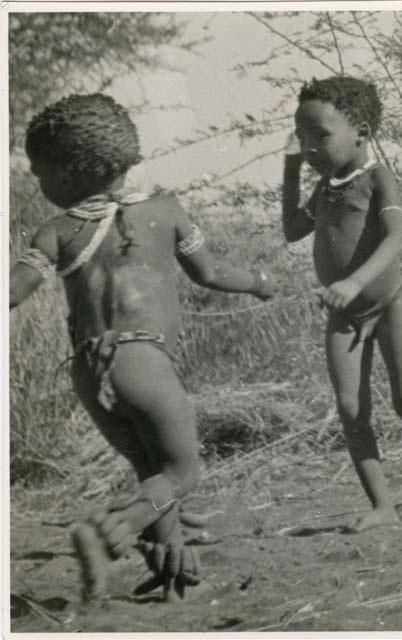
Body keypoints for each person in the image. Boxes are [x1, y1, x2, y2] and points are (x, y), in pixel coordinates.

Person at [10, 93, 277, 603]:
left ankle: (174, 567)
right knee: (181, 473)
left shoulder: (56, 231)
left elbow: (15, 289)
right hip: (144, 360)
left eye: (40, 173)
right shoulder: (166, 211)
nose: (40, 185)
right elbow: (212, 272)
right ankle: (108, 533)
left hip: (89, 371)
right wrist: (260, 282)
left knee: (152, 475)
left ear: (67, 175)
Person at [282, 76, 402, 532]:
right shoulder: (324, 188)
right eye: (302, 136)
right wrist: (291, 169)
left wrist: (353, 281)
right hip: (344, 316)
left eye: (320, 136)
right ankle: (382, 505)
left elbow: (396, 239)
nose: (310, 146)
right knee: (351, 409)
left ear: (363, 133)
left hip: (390, 304)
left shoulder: (377, 181)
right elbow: (293, 230)